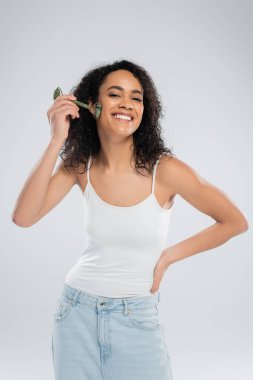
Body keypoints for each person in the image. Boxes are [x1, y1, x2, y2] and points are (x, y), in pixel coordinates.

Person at [11, 59, 249, 380]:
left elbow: (234, 221)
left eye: (136, 97)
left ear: (144, 109)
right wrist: (56, 141)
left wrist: (168, 257)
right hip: (75, 313)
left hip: (136, 317)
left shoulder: (165, 170)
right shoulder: (80, 165)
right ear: (92, 105)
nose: (126, 104)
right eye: (114, 94)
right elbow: (24, 217)